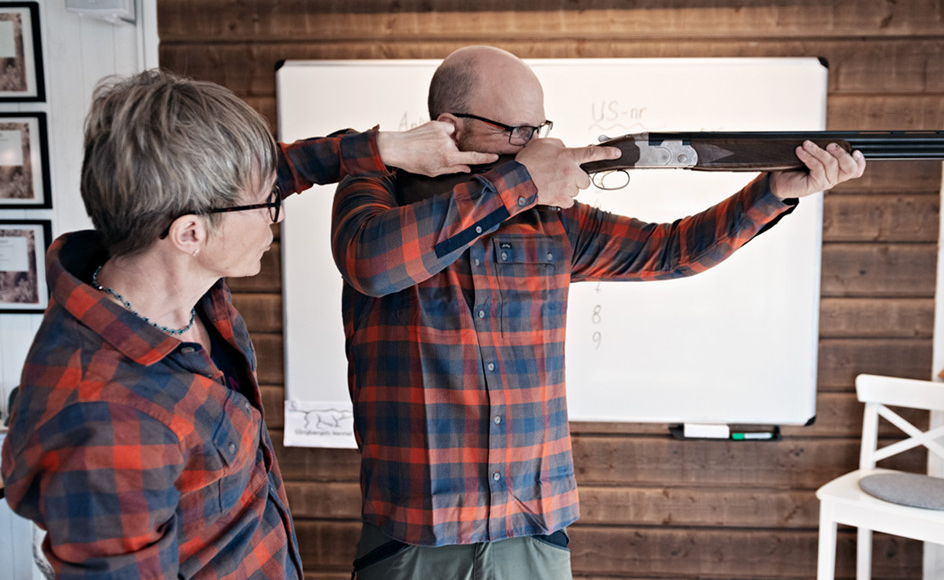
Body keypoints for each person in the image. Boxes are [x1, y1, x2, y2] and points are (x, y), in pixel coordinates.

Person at [331, 45, 867, 579]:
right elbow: (373, 263)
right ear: (450, 126)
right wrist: (520, 183)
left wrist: (772, 190)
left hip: (532, 526)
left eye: (539, 129)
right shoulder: (376, 185)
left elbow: (671, 251)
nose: (535, 147)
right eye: (518, 132)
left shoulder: (551, 218)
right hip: (414, 532)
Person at [0, 68, 495, 578]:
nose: (275, 217)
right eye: (267, 205)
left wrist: (385, 147)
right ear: (190, 233)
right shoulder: (108, 417)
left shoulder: (167, 267)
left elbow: (268, 173)